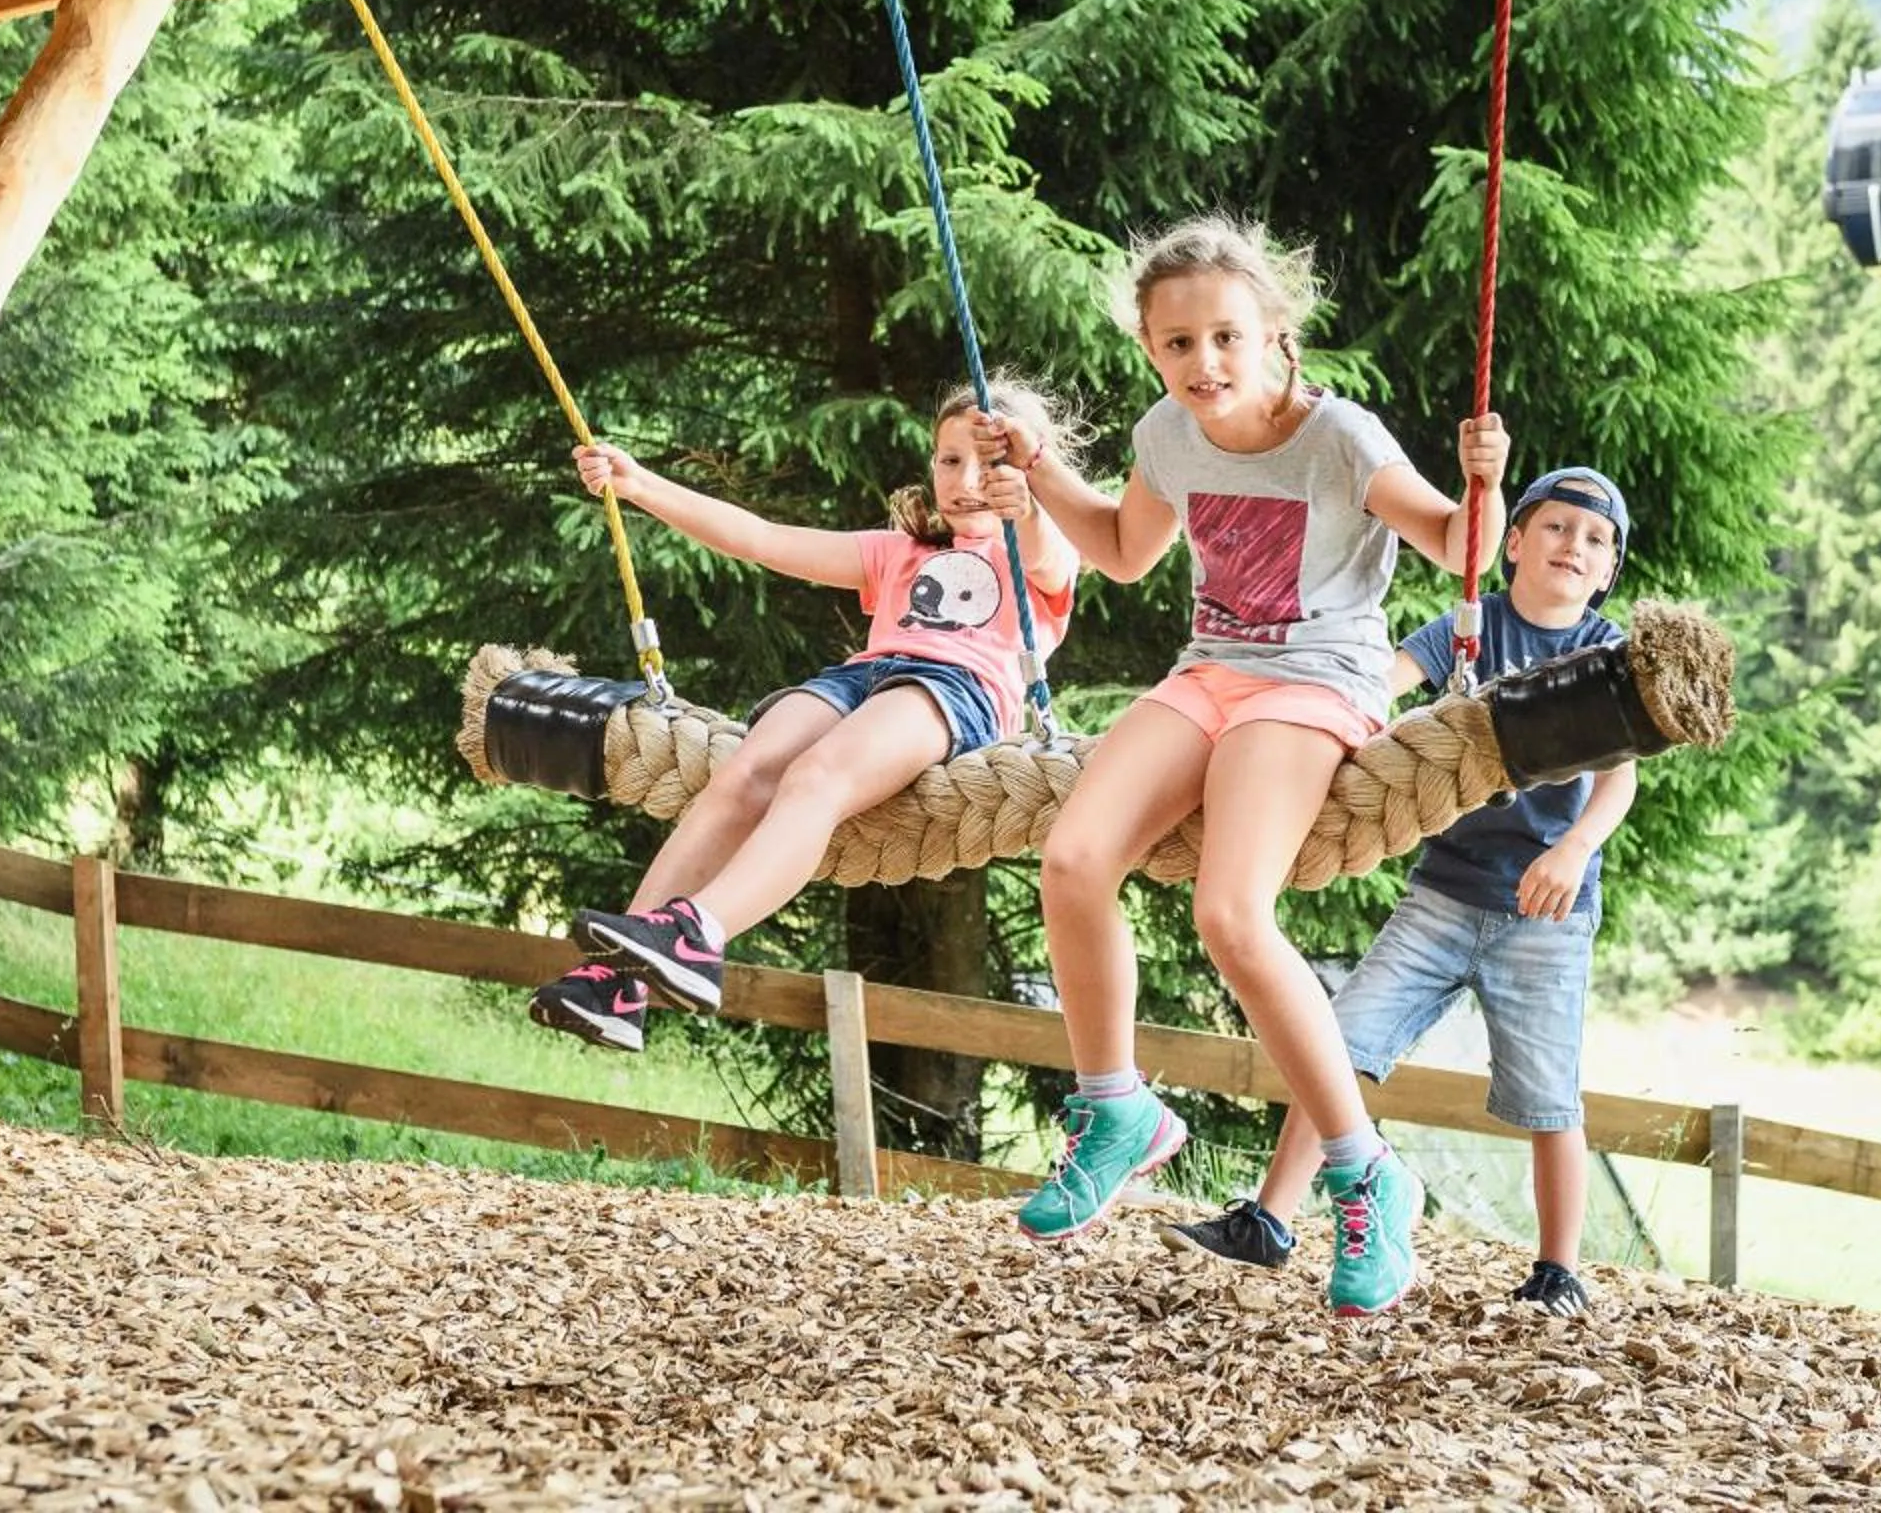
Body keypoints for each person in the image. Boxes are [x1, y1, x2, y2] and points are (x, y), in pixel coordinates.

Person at [976, 214, 1507, 1316]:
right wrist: (1040, 469)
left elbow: (1460, 547)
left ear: (1274, 334)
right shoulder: (1168, 433)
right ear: (1149, 348)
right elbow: (1123, 550)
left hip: (1317, 679)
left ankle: (1365, 1171)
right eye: (1178, 343)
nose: (1204, 362)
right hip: (1212, 670)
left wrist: (1486, 486)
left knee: (1230, 911)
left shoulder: (1340, 437)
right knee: (1073, 859)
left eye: (1225, 337)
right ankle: (1117, 1106)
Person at [1159, 467, 1638, 1317]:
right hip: (1444, 894)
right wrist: (1327, 732)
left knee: (1548, 1096)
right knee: (1339, 1044)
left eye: (1595, 540)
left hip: (1545, 912)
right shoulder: (1471, 627)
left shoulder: (1606, 654)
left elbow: (1618, 780)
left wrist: (1574, 850)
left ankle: (1557, 1269)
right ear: (1513, 543)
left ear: (1608, 571)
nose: (1574, 546)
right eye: (1557, 527)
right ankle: (1271, 1220)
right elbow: (1380, 684)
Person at [530, 381, 1080, 1052]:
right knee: (746, 772)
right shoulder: (900, 551)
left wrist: (1028, 497)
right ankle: (615, 986)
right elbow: (762, 539)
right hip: (862, 678)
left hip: (953, 690)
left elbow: (1046, 548)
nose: (966, 482)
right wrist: (639, 484)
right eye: (949, 460)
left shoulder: (1036, 554)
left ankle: (699, 934)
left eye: (990, 464)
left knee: (816, 776)